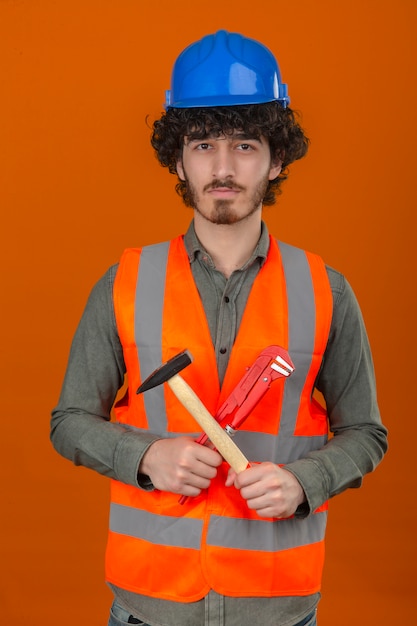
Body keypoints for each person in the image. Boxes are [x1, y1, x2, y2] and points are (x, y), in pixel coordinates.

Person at [50, 30, 388, 626]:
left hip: (277, 604)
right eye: (203, 145)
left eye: (245, 145)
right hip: (149, 605)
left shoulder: (326, 290)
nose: (224, 168)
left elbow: (365, 432)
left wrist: (307, 480)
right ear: (178, 159)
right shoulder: (123, 283)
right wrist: (146, 454)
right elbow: (69, 422)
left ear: (276, 158)